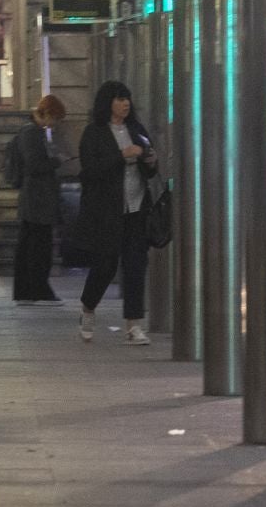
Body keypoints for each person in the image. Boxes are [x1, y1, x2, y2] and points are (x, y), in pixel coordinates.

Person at [73, 80, 158, 346]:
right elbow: (90, 171)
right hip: (107, 213)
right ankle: (88, 308)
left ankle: (134, 325)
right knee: (105, 266)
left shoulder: (136, 129)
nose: (125, 103)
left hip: (136, 208)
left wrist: (149, 161)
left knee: (135, 266)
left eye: (127, 99)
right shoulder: (94, 133)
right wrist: (122, 155)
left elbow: (149, 169)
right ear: (108, 102)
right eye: (120, 99)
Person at [12, 94, 72, 304]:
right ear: (47, 114)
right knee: (38, 247)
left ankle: (29, 290)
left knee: (32, 245)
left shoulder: (32, 132)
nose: (54, 125)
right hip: (36, 199)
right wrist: (57, 161)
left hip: (36, 198)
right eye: (55, 119)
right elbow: (34, 165)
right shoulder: (31, 133)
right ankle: (36, 289)